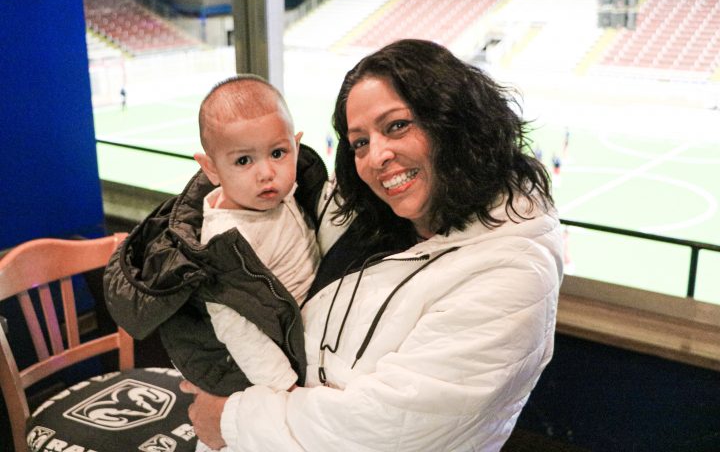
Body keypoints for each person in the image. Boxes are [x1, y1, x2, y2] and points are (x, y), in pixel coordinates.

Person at [115, 39, 563, 451]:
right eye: (360, 142)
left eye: (398, 125)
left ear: (454, 121)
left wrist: (231, 418)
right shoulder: (377, 212)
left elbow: (383, 429)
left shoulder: (513, 274)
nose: (376, 156)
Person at [103, 75, 328, 449]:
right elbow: (235, 326)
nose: (266, 172)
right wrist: (282, 389)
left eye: (278, 153)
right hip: (258, 376)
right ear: (210, 168)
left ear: (297, 144)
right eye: (243, 160)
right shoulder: (223, 242)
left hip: (299, 335)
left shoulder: (282, 195)